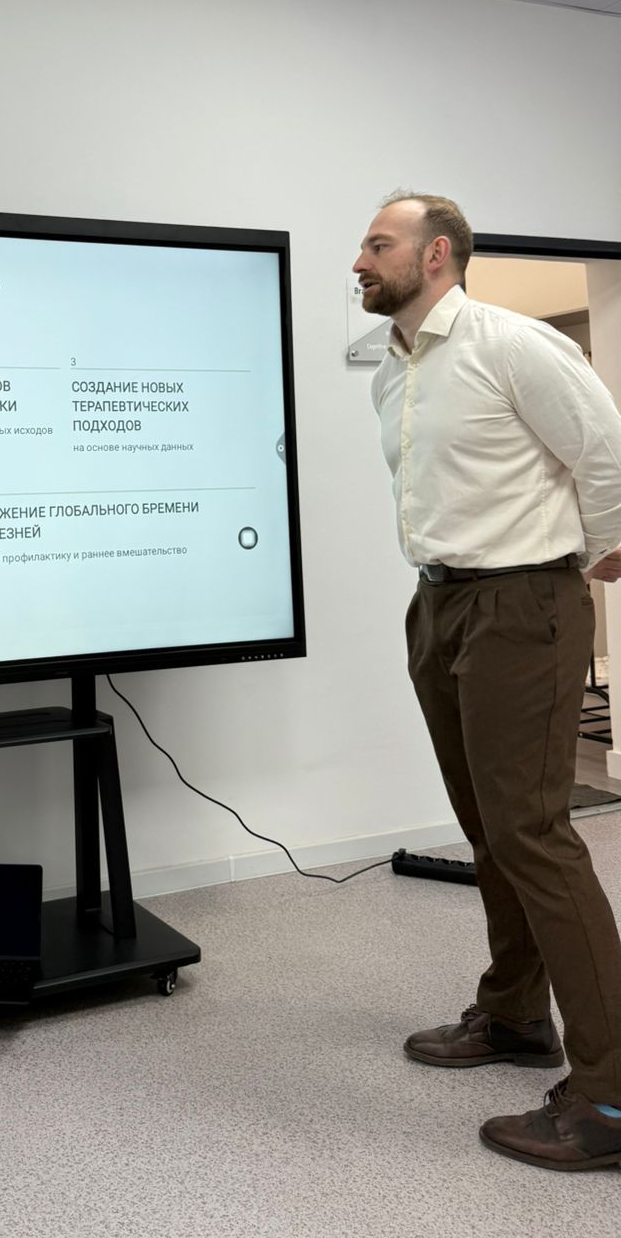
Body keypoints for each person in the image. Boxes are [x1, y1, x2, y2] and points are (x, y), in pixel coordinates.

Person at [354, 191, 621, 1172]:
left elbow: (605, 450)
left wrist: (596, 552)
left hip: (522, 604)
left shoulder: (512, 344)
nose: (359, 260)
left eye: (377, 243)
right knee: (490, 828)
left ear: (436, 256)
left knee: (535, 836)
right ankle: (515, 1013)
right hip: (441, 604)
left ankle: (612, 1093)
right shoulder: (395, 369)